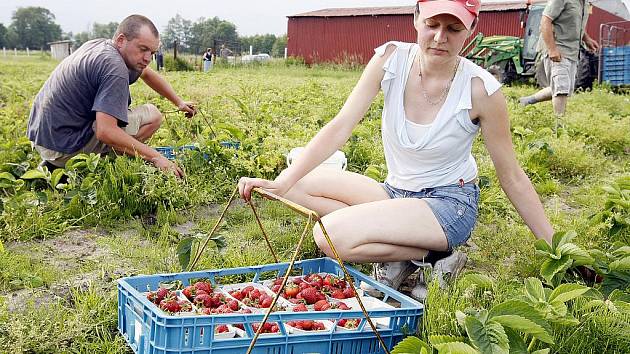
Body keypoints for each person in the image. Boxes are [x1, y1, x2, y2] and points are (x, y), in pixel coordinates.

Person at [238, 0, 556, 300]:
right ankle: (409, 249)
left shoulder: (480, 90)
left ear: (470, 29)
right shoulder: (390, 60)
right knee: (295, 183)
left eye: (454, 29)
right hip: (396, 194)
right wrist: (281, 182)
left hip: (446, 205)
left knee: (328, 236)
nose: (440, 37)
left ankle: (435, 252)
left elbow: (512, 176)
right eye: (432, 24)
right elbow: (340, 126)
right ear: (416, 18)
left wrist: (555, 249)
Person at [27, 14, 196, 178]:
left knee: (123, 118)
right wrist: (155, 157)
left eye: (151, 53)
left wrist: (178, 102)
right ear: (121, 40)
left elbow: (147, 73)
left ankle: (53, 165)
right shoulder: (115, 69)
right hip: (64, 145)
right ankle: (91, 165)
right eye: (143, 49)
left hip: (44, 136)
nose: (147, 58)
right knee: (153, 116)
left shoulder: (101, 46)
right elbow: (105, 131)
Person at [519, 0, 599, 118]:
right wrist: (552, 49)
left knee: (562, 88)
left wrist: (586, 38)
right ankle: (559, 128)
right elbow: (545, 20)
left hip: (572, 51)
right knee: (561, 89)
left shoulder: (584, 3)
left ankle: (527, 100)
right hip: (558, 48)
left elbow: (577, 23)